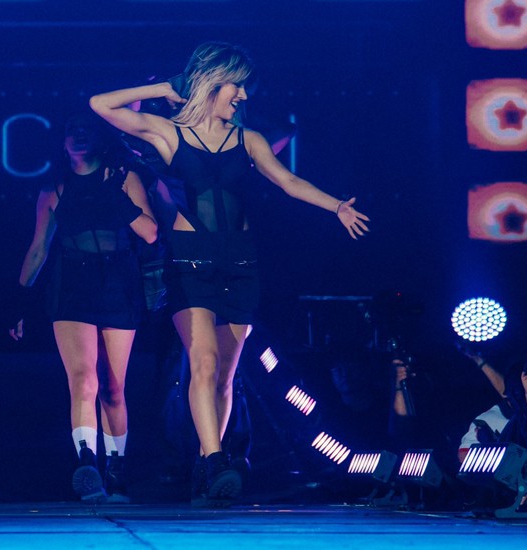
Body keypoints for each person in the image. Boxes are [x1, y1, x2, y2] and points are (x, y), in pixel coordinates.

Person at [90, 42, 368, 505]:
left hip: (241, 264)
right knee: (201, 362)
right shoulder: (169, 133)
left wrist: (336, 206)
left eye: (244, 87)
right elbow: (101, 104)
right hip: (190, 262)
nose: (243, 95)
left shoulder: (248, 139)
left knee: (223, 376)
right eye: (235, 86)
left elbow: (288, 181)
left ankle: (207, 465)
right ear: (209, 84)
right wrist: (165, 88)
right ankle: (218, 461)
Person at [10, 113, 157, 501]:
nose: (77, 135)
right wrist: (19, 301)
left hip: (118, 283)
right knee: (83, 379)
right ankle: (87, 465)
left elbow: (150, 232)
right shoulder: (54, 189)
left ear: (98, 138)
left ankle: (117, 471)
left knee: (113, 389)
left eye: (85, 129)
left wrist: (116, 196)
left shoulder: (123, 178)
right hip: (72, 285)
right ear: (62, 142)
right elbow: (38, 249)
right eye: (70, 130)